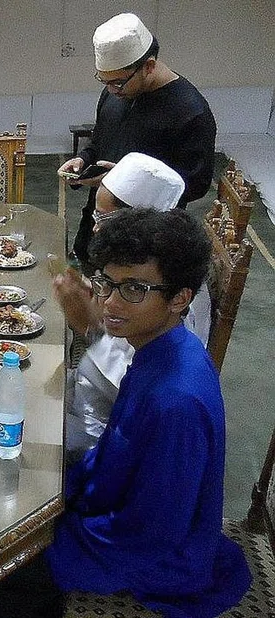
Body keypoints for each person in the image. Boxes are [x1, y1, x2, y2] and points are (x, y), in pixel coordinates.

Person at [48, 208, 251, 618]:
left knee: (15, 562)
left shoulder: (175, 401)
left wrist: (59, 531)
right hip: (133, 521)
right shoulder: (162, 348)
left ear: (180, 297)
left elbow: (150, 533)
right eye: (105, 282)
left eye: (134, 289)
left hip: (158, 558)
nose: (108, 302)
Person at [54, 152, 211, 456]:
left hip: (108, 429)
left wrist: (89, 326)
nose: (96, 229)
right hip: (91, 394)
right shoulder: (152, 269)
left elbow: (130, 386)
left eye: (105, 219)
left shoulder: (176, 295)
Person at [58, 12, 216, 264]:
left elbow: (194, 184)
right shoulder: (114, 94)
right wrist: (83, 159)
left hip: (145, 244)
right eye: (104, 81)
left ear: (149, 66)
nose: (111, 90)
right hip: (96, 227)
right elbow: (101, 140)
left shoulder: (190, 111)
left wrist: (126, 183)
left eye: (118, 83)